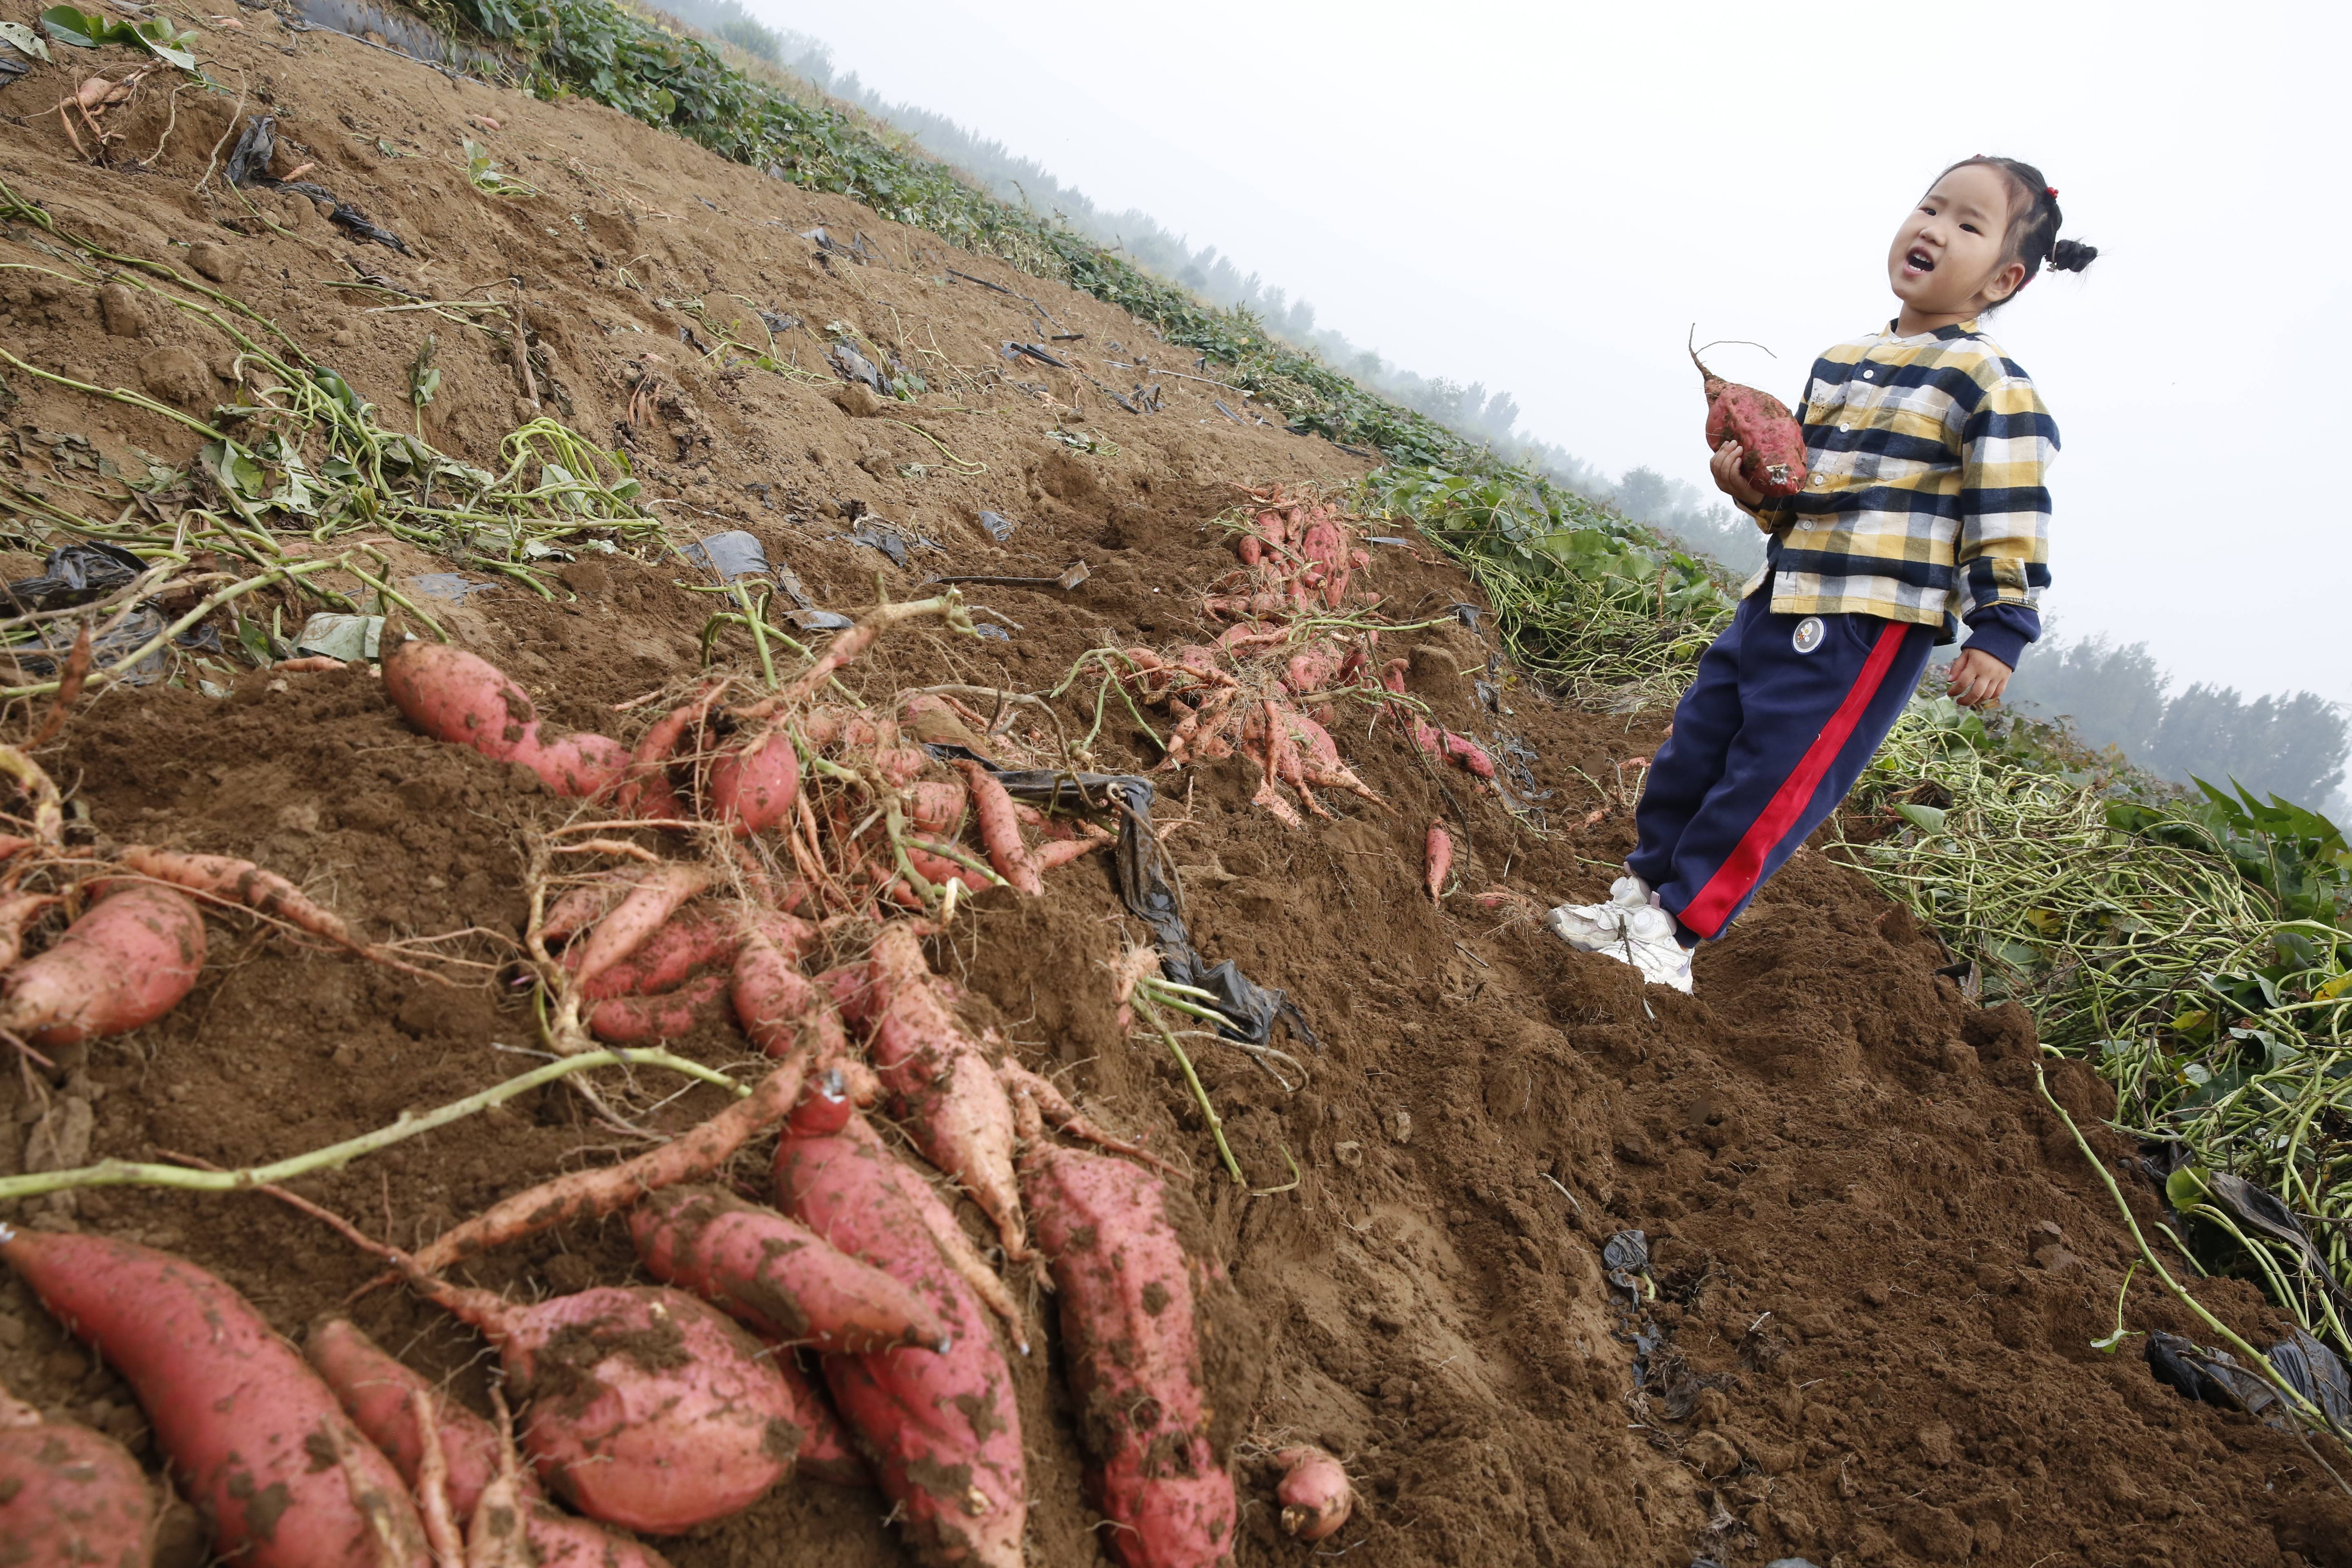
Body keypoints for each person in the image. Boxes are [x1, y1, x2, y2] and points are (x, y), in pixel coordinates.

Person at [1550, 155, 2096, 993]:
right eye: (1930, 206)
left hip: (1867, 619)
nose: (1933, 229)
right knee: (1695, 747)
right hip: (1780, 591)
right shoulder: (1842, 361)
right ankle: (1641, 895)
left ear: (2005, 278)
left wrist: (2002, 627)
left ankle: (1678, 933)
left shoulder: (1990, 384)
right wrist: (1751, 491)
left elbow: (2011, 508)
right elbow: (1799, 488)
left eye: (1967, 225)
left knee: (1773, 775)